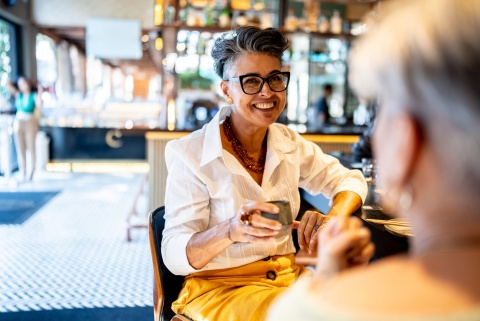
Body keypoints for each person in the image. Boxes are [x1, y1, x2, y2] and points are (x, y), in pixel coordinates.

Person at [267, 0, 480, 320]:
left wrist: (329, 285)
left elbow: (346, 178)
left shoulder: (309, 309)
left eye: (384, 113)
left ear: (406, 143)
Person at [161, 26, 369, 321]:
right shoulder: (190, 154)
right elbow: (173, 255)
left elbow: (350, 180)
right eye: (251, 81)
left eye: (274, 78)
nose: (267, 92)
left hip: (288, 279)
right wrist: (231, 230)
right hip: (221, 290)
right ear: (226, 90)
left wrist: (332, 218)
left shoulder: (288, 142)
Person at [6, 77, 42, 182]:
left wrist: (39, 91)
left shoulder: (33, 95)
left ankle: (31, 172)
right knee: (20, 148)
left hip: (30, 122)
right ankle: (23, 171)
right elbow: (8, 84)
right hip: (18, 122)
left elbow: (39, 105)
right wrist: (15, 81)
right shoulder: (19, 95)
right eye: (21, 84)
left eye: (25, 83)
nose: (23, 86)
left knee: (31, 147)